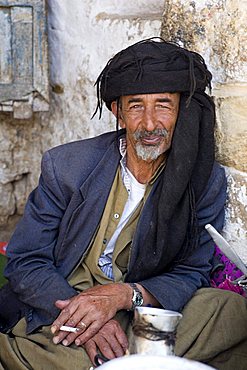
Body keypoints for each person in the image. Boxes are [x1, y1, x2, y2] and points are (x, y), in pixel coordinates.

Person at [0, 38, 247, 370]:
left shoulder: (203, 180)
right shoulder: (67, 166)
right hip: (64, 301)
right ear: (117, 112)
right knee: (80, 357)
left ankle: (131, 354)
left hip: (138, 303)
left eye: (163, 105)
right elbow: (26, 261)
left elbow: (191, 271)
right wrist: (87, 319)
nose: (148, 123)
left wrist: (123, 296)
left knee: (230, 312)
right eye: (135, 106)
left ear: (181, 112)